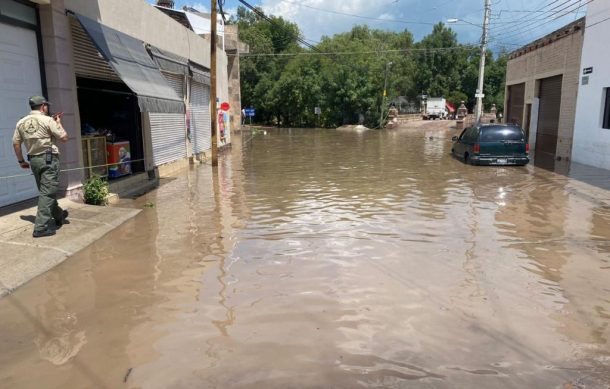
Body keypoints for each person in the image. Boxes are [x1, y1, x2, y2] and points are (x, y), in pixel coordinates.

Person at [12, 96, 69, 238]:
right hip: (49, 159)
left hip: (34, 161)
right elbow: (64, 137)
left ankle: (58, 215)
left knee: (46, 191)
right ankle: (40, 227)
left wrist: (21, 161)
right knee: (47, 192)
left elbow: (16, 144)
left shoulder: (21, 122)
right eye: (46, 106)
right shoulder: (48, 120)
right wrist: (58, 123)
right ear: (43, 106)